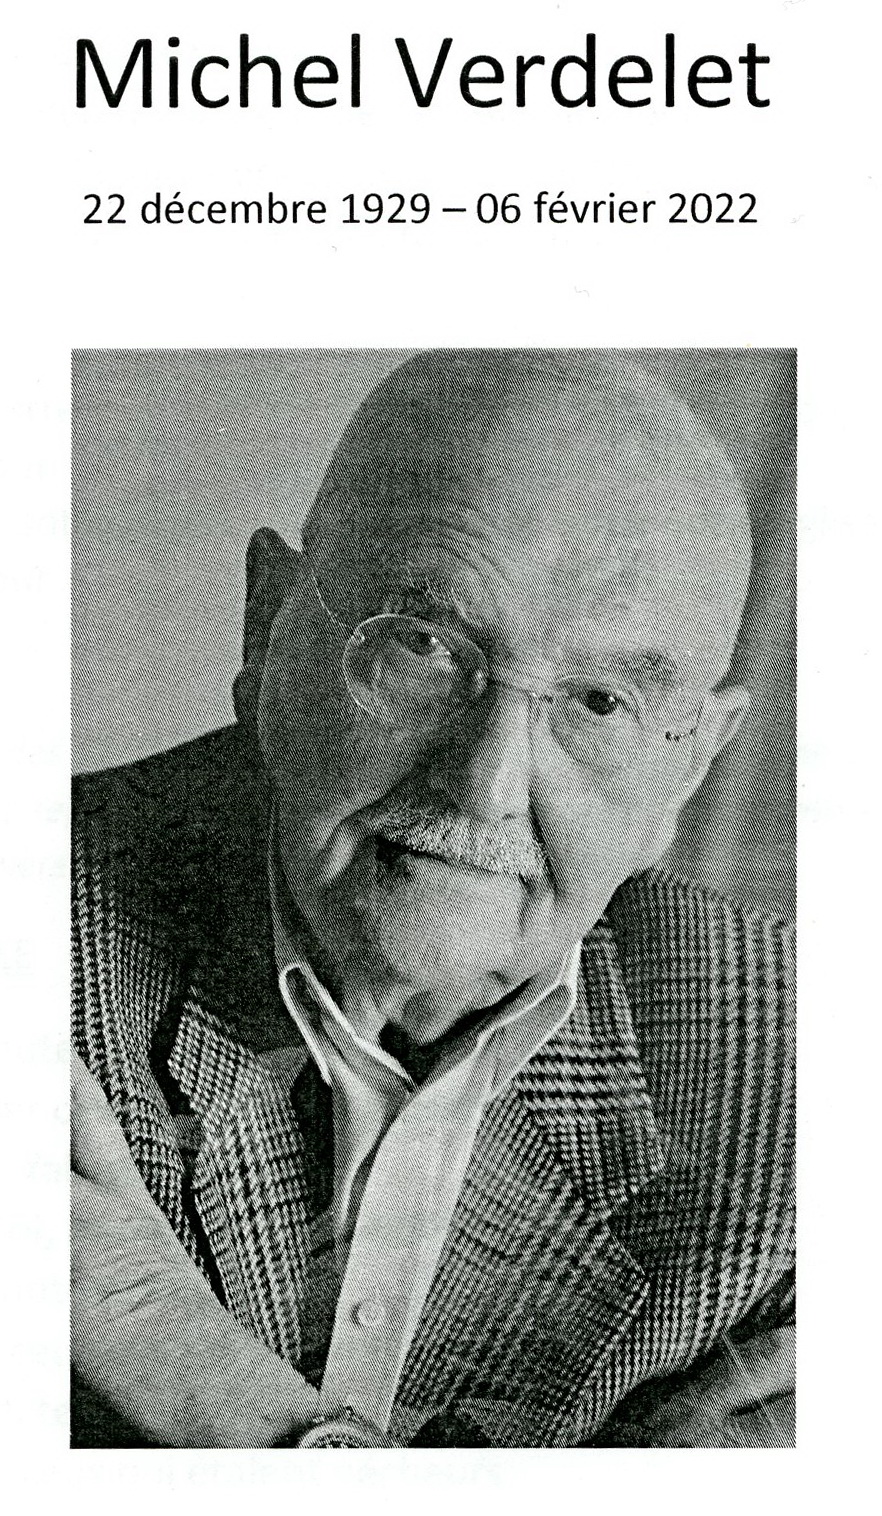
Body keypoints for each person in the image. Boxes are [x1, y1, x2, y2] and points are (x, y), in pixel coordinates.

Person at [71, 349, 795, 1448]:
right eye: (423, 645)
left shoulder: (802, 1079)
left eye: (599, 702)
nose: (487, 783)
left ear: (691, 762)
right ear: (268, 624)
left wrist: (188, 1366)